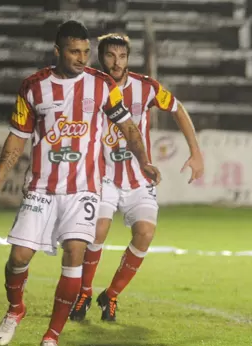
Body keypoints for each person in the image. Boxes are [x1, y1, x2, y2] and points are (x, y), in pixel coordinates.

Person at [0, 20, 160, 346]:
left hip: (84, 190)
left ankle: (52, 336)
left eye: (85, 51)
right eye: (74, 51)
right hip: (41, 188)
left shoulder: (103, 85)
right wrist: (0, 174)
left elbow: (129, 127)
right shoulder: (33, 87)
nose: (81, 58)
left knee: (76, 252)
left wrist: (144, 160)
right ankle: (15, 308)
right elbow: (18, 137)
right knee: (18, 257)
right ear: (58, 51)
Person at [68, 33, 204, 323]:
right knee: (98, 230)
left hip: (138, 176)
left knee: (144, 234)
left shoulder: (146, 88)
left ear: (128, 59)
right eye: (110, 56)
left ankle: (111, 295)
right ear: (100, 58)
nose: (117, 63)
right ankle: (85, 291)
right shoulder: (88, 85)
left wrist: (196, 152)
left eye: (122, 56)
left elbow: (178, 108)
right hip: (101, 176)